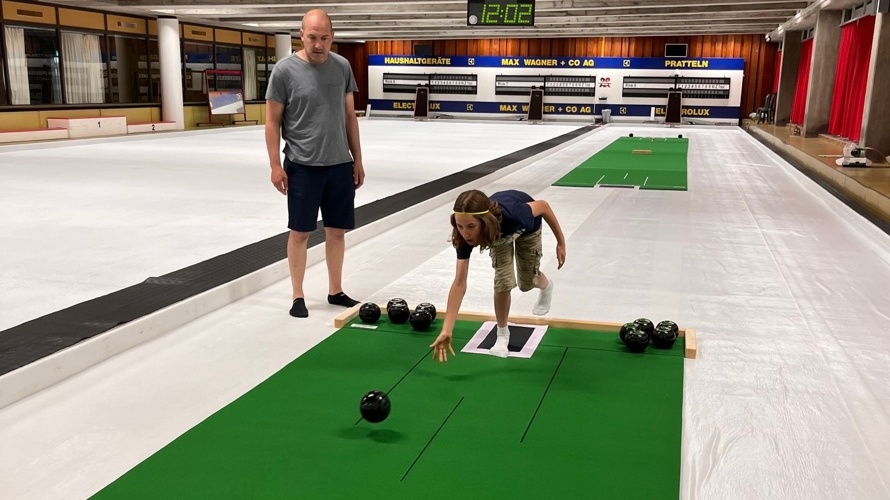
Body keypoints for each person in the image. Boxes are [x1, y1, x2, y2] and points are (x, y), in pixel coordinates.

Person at [265, 9, 365, 318]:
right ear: (301, 35)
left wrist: (357, 159)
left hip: (338, 165)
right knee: (300, 232)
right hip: (302, 165)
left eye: (324, 38)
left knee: (337, 231)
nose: (318, 44)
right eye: (312, 38)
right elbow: (271, 121)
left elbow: (350, 116)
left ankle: (335, 290)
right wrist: (275, 166)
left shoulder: (342, 67)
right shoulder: (284, 71)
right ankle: (298, 295)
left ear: (332, 37)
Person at [430, 189, 566, 362]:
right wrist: (447, 329)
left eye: (471, 226)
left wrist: (560, 242)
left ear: (484, 222)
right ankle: (502, 334)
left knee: (527, 282)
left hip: (526, 228)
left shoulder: (514, 214)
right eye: (460, 226)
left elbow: (543, 206)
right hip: (497, 236)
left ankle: (546, 287)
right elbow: (459, 283)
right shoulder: (464, 237)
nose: (465, 233)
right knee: (503, 280)